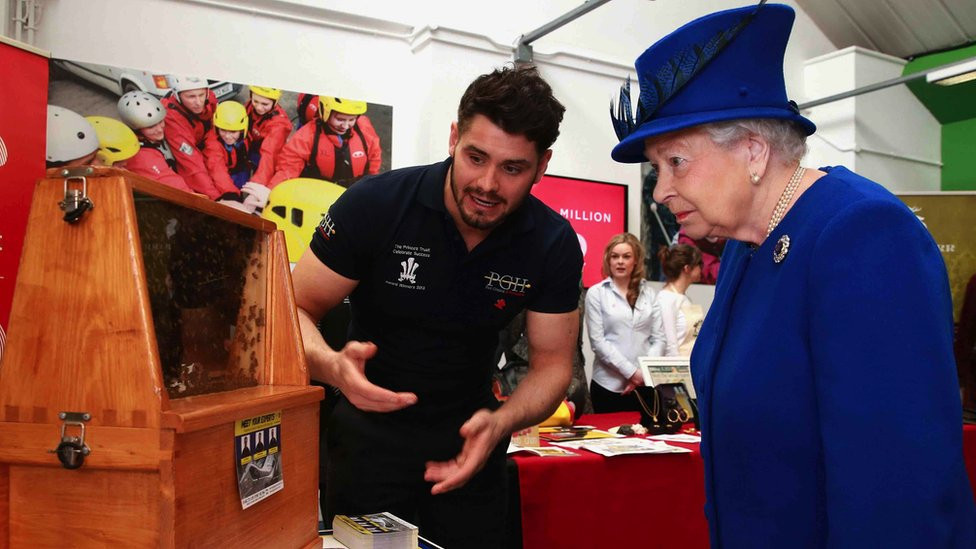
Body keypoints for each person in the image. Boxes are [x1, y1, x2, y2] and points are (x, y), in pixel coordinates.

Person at [609, 3, 976, 547]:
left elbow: (897, 490)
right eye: (656, 170)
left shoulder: (862, 235)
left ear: (753, 151)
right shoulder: (745, 246)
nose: (660, 190)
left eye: (675, 162)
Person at [290, 65, 580, 548]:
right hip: (366, 444)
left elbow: (553, 366)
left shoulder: (551, 242)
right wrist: (331, 366)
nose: (487, 184)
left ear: (542, 165)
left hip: (473, 446)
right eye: (475, 157)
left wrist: (503, 421)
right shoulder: (375, 204)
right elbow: (293, 309)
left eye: (512, 168)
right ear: (453, 138)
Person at [585, 232, 665, 412]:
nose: (620, 261)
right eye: (615, 256)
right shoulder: (596, 293)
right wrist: (632, 373)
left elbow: (659, 339)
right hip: (608, 386)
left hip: (645, 386)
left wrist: (643, 375)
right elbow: (598, 342)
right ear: (608, 260)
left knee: (646, 439)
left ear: (635, 261)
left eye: (626, 256)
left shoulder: (649, 294)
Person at [269, 96, 382, 188]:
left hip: (353, 190)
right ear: (325, 112)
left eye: (351, 120)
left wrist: (375, 186)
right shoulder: (307, 136)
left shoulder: (364, 128)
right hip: (319, 190)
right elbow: (288, 168)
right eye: (340, 119)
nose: (346, 126)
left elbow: (374, 158)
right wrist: (271, 191)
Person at [161, 74, 233, 199]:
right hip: (188, 151)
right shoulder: (172, 117)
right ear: (177, 95)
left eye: (201, 95)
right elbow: (190, 163)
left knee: (217, 163)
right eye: (191, 97)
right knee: (201, 177)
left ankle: (231, 193)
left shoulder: (209, 98)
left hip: (206, 141)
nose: (198, 102)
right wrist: (216, 198)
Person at [117, 91, 193, 193]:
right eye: (151, 126)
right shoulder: (141, 158)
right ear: (136, 129)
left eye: (160, 121)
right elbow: (176, 187)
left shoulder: (153, 138)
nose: (159, 129)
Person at [655, 243, 703, 357]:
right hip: (678, 368)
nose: (701, 269)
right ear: (687, 268)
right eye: (699, 264)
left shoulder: (685, 298)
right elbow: (670, 344)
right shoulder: (665, 299)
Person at [204, 100, 253, 191]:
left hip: (242, 170)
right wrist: (231, 193)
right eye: (223, 130)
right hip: (228, 176)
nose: (227, 136)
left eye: (233, 132)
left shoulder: (245, 136)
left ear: (242, 130)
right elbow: (218, 170)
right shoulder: (213, 144)